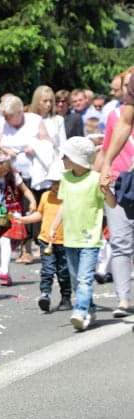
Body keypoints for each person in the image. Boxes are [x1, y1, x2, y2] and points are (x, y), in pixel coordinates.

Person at [51, 137, 115, 330]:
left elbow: (112, 204)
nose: (62, 158)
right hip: (70, 238)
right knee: (74, 278)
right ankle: (90, 307)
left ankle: (79, 310)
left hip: (90, 239)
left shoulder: (95, 179)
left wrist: (107, 190)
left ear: (77, 159)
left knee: (84, 278)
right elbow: (63, 205)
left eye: (66, 155)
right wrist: (54, 227)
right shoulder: (66, 178)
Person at [0, 94, 54, 265]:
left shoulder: (35, 121)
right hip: (12, 174)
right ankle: (24, 249)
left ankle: (41, 246)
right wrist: (5, 149)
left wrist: (35, 148)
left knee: (33, 209)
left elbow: (49, 145)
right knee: (16, 211)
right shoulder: (3, 123)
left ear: (19, 112)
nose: (6, 119)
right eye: (4, 117)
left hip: (34, 174)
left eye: (9, 116)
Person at [14, 161, 72, 312]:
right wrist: (25, 219)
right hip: (46, 240)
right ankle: (45, 294)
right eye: (53, 182)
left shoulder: (71, 197)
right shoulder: (46, 196)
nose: (56, 186)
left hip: (66, 241)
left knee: (64, 272)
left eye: (59, 182)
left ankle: (66, 298)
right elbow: (40, 214)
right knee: (47, 269)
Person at [99, 68, 134, 320]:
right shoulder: (115, 114)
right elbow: (125, 122)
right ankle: (123, 297)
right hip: (123, 179)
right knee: (120, 242)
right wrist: (106, 164)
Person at [0, 150, 37, 287]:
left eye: (3, 171)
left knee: (4, 239)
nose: (1, 174)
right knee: (3, 245)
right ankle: (7, 275)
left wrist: (32, 201)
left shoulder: (14, 176)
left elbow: (25, 190)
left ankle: (4, 270)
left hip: (14, 214)